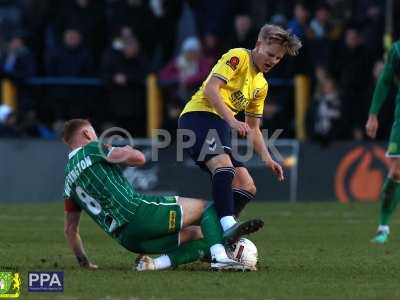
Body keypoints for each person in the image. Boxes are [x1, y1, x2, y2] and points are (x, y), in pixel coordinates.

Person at [62, 119, 261, 271]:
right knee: (208, 208)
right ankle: (221, 257)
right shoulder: (91, 148)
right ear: (87, 133)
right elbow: (138, 158)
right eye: (94, 133)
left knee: (200, 233)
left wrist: (84, 261)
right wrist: (126, 149)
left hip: (128, 240)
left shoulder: (68, 181)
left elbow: (70, 229)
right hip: (138, 214)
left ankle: (154, 265)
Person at [178, 24, 301, 236]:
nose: (273, 61)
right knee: (224, 168)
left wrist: (268, 158)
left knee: (246, 186)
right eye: (270, 54)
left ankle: (204, 232)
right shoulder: (238, 57)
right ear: (258, 45)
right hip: (198, 116)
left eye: (279, 58)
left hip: (219, 124)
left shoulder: (261, 85)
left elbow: (253, 128)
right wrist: (232, 121)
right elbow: (210, 88)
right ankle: (227, 226)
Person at [366, 40, 400, 244]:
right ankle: (383, 227)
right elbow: (385, 81)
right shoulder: (396, 50)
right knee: (396, 172)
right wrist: (373, 115)